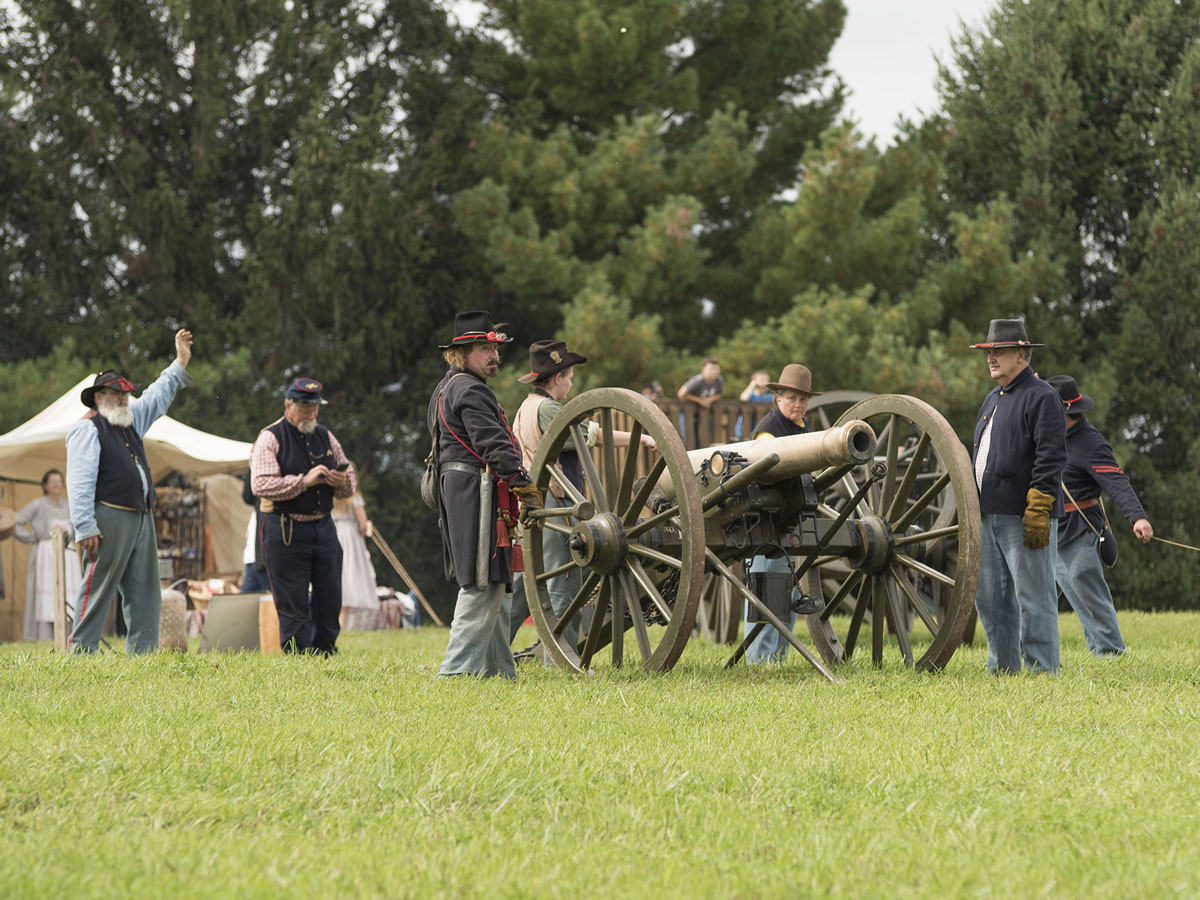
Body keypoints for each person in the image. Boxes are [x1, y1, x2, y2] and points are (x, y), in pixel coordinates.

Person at [507, 339, 655, 658]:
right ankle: (560, 659)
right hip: (556, 506)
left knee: (527, 587)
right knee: (564, 585)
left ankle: (493, 650)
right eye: (570, 376)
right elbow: (592, 435)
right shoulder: (548, 408)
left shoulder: (528, 406)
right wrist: (642, 438)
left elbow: (590, 434)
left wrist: (640, 438)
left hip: (537, 505)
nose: (571, 382)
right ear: (558, 376)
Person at [66, 328, 195, 653]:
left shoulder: (130, 421)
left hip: (140, 517)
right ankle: (80, 652)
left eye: (125, 394)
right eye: (115, 393)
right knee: (98, 587)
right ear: (99, 397)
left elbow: (156, 395)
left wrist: (179, 363)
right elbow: (79, 480)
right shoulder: (87, 427)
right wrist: (85, 525)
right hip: (107, 517)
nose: (123, 398)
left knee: (145, 590)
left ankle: (144, 654)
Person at [428, 310, 542, 679]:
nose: (494, 356)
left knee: (496, 581)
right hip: (475, 492)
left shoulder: (448, 386)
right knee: (482, 581)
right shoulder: (469, 389)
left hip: (467, 490)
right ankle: (455, 674)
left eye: (494, 349)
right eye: (483, 349)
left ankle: (498, 674)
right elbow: (492, 444)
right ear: (462, 354)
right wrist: (522, 483)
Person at [970, 319, 1067, 674]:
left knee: (1034, 598)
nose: (991, 358)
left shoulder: (1042, 396)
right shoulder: (991, 399)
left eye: (1000, 352)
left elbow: (1052, 455)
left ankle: (1042, 671)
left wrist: (1039, 508)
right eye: (989, 352)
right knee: (991, 601)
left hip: (1025, 515)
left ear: (1021, 354)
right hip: (988, 513)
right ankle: (1003, 669)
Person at [1046, 375, 1153, 656]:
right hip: (1045, 530)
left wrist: (1137, 518)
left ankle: (1110, 653)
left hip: (1079, 530)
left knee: (1085, 582)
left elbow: (1117, 482)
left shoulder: (1091, 443)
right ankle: (1030, 655)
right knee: (1033, 598)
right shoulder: (1045, 438)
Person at [250, 377, 357, 654]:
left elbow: (351, 484)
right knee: (293, 602)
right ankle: (298, 657)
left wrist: (338, 481)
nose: (311, 414)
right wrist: (304, 481)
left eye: (314, 408)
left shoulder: (326, 435)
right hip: (285, 530)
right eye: (304, 407)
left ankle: (326, 652)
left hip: (323, 527)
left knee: (330, 597)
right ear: (288, 405)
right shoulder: (270, 437)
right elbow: (260, 484)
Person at [743, 365, 825, 663]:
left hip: (790, 520)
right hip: (766, 520)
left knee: (787, 593)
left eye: (803, 399)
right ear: (777, 398)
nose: (798, 404)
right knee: (767, 590)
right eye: (791, 398)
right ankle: (759, 661)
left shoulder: (802, 426)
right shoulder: (768, 431)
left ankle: (776, 658)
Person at [14, 469, 82, 641]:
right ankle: (44, 636)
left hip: (68, 555)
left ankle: (70, 635)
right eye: (52, 481)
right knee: (46, 595)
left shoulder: (69, 505)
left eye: (59, 481)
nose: (56, 485)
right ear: (45, 485)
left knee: (70, 593)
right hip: (46, 554)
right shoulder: (38, 504)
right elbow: (15, 521)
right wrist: (32, 537)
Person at [334, 488, 381, 631]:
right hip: (350, 538)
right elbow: (362, 524)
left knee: (340, 575)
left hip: (334, 534)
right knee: (351, 574)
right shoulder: (354, 496)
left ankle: (339, 620)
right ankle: (343, 621)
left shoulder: (332, 495)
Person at [677, 357, 724, 446]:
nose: (714, 371)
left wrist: (710, 400)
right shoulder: (697, 380)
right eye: (711, 369)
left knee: (703, 438)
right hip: (687, 413)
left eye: (716, 369)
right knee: (687, 438)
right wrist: (700, 401)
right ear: (703, 369)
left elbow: (719, 394)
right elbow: (681, 393)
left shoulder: (719, 380)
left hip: (703, 413)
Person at [239, 473, 269, 593]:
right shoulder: (257, 504)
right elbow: (247, 496)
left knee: (272, 601)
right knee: (246, 601)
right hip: (252, 559)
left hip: (264, 561)